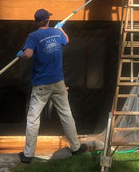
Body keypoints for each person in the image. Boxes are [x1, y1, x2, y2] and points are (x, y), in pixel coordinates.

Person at [17, 9, 87, 163]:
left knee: (33, 119)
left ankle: (28, 155)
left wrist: (21, 53)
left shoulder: (33, 36)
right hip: (58, 82)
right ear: (48, 20)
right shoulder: (57, 34)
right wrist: (60, 28)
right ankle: (76, 147)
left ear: (36, 22)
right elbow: (66, 40)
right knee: (66, 114)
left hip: (41, 85)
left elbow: (28, 54)